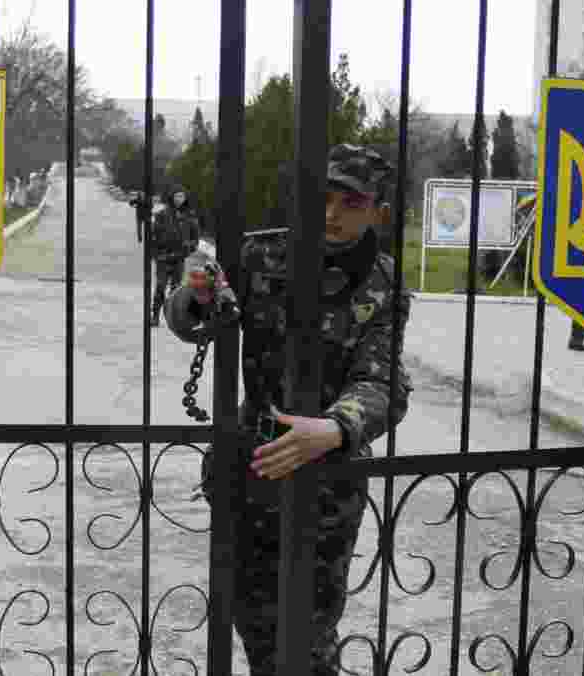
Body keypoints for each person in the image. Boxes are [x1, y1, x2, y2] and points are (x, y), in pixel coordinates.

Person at [164, 144, 412, 675]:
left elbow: (384, 377)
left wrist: (334, 428)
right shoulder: (260, 254)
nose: (331, 213)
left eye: (351, 201)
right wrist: (196, 293)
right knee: (253, 622)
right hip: (250, 464)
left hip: (326, 477)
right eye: (324, 197)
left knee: (309, 632)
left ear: (377, 210)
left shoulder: (382, 281)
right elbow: (192, 317)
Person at [150, 185, 200, 327]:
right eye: (177, 196)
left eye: (182, 196)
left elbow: (195, 240)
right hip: (163, 258)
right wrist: (156, 254)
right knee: (160, 286)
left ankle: (172, 318)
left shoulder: (190, 216)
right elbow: (153, 237)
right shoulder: (162, 215)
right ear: (172, 197)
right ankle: (155, 315)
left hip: (179, 258)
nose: (179, 199)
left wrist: (187, 247)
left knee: (176, 290)